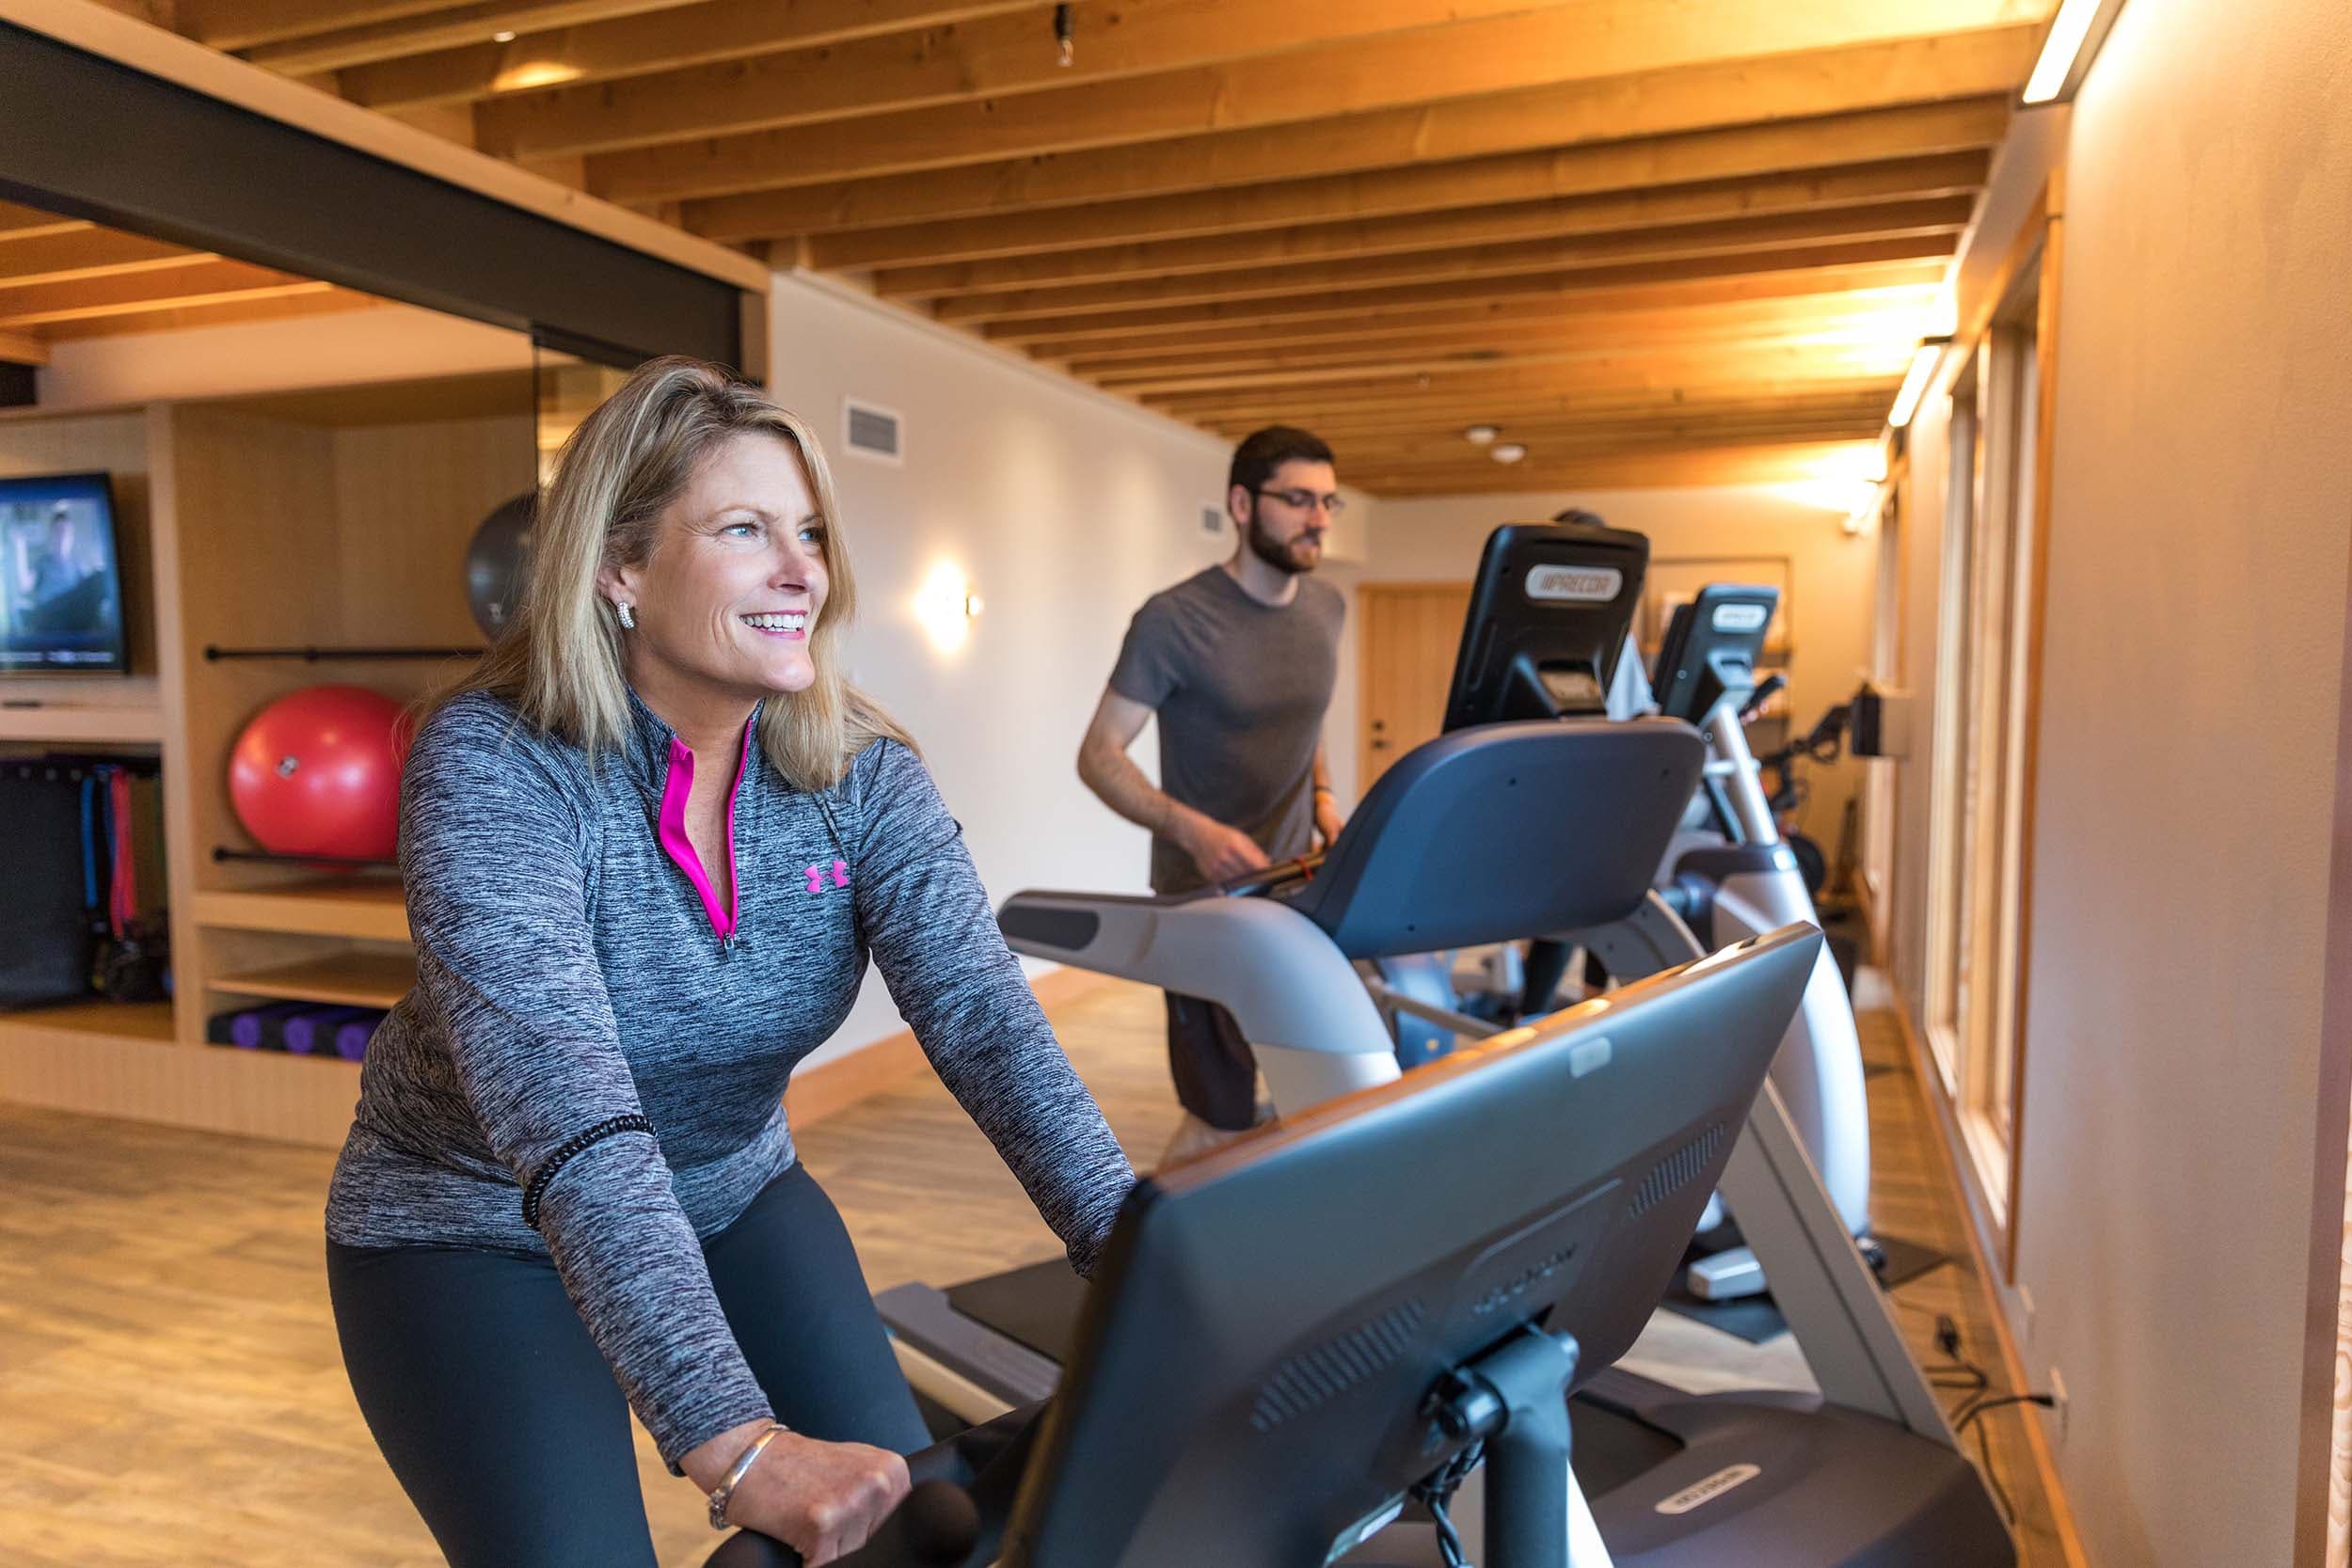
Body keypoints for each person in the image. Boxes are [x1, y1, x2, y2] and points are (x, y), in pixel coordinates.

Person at [324, 358, 1134, 1568]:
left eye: (807, 531)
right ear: (619, 566)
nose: (802, 568)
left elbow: (984, 1025)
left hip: (735, 1189)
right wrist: (734, 1441)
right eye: (745, 529)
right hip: (470, 1227)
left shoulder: (859, 774)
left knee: (914, 1531)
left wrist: (1141, 1261)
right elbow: (569, 1117)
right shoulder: (499, 768)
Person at [1076, 426, 1348, 1167]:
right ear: (1240, 503)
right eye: (1297, 499)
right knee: (1220, 1121)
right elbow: (1099, 756)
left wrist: (1322, 794)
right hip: (1205, 899)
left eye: (1327, 501)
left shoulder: (1327, 609)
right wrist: (1193, 830)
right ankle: (1148, 1266)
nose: (1318, 518)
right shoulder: (1174, 620)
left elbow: (1309, 716)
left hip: (1300, 891)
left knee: (1320, 1102)